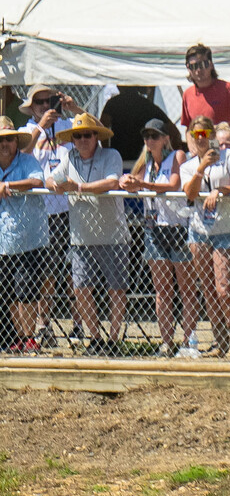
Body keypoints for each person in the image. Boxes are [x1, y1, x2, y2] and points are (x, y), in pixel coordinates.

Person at [48, 113, 132, 354]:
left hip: (113, 234)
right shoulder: (69, 157)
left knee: (116, 288)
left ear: (96, 136)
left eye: (87, 135)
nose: (82, 139)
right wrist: (55, 185)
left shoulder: (111, 155)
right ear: (72, 139)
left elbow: (112, 183)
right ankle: (95, 338)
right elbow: (50, 178)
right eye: (78, 136)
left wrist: (78, 187)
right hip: (81, 236)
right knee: (80, 289)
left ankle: (114, 341)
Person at [182, 121, 230, 356]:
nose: (200, 138)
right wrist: (201, 167)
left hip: (226, 229)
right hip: (199, 231)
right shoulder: (189, 165)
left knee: (224, 289)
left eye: (205, 133)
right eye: (196, 133)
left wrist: (220, 190)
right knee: (209, 291)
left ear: (212, 135)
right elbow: (190, 194)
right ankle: (220, 343)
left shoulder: (228, 156)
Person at [130, 120, 196, 357]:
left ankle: (189, 341)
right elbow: (132, 183)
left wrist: (142, 184)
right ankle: (166, 341)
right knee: (162, 289)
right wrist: (128, 182)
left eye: (155, 136)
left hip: (177, 227)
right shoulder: (145, 163)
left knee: (186, 288)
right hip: (153, 228)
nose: (150, 140)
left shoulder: (176, 156)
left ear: (165, 138)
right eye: (147, 136)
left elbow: (174, 184)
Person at [0, 127, 46, 353]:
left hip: (29, 239)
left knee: (26, 292)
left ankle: (30, 339)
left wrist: (7, 186)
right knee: (8, 293)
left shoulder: (28, 161)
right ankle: (18, 338)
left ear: (16, 141)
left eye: (9, 139)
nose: (4, 144)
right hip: (3, 242)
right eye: (1, 140)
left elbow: (38, 181)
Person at [178, 45, 230, 148]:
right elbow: (188, 127)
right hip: (201, 151)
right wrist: (192, 148)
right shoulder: (187, 94)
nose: (198, 70)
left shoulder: (228, 89)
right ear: (188, 68)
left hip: (222, 149)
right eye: (194, 66)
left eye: (203, 64)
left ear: (211, 65)